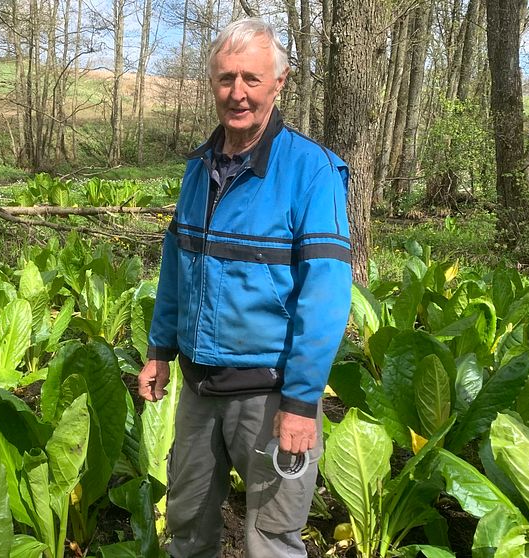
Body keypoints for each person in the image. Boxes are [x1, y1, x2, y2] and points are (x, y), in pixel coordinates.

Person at [137, 17, 352, 558]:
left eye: (252, 80)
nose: (238, 94)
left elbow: (325, 298)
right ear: (212, 83)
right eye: (226, 79)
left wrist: (302, 403)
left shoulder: (312, 172)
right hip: (197, 389)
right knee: (186, 528)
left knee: (272, 539)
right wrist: (160, 351)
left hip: (271, 394)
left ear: (278, 84)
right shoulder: (197, 169)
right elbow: (176, 268)